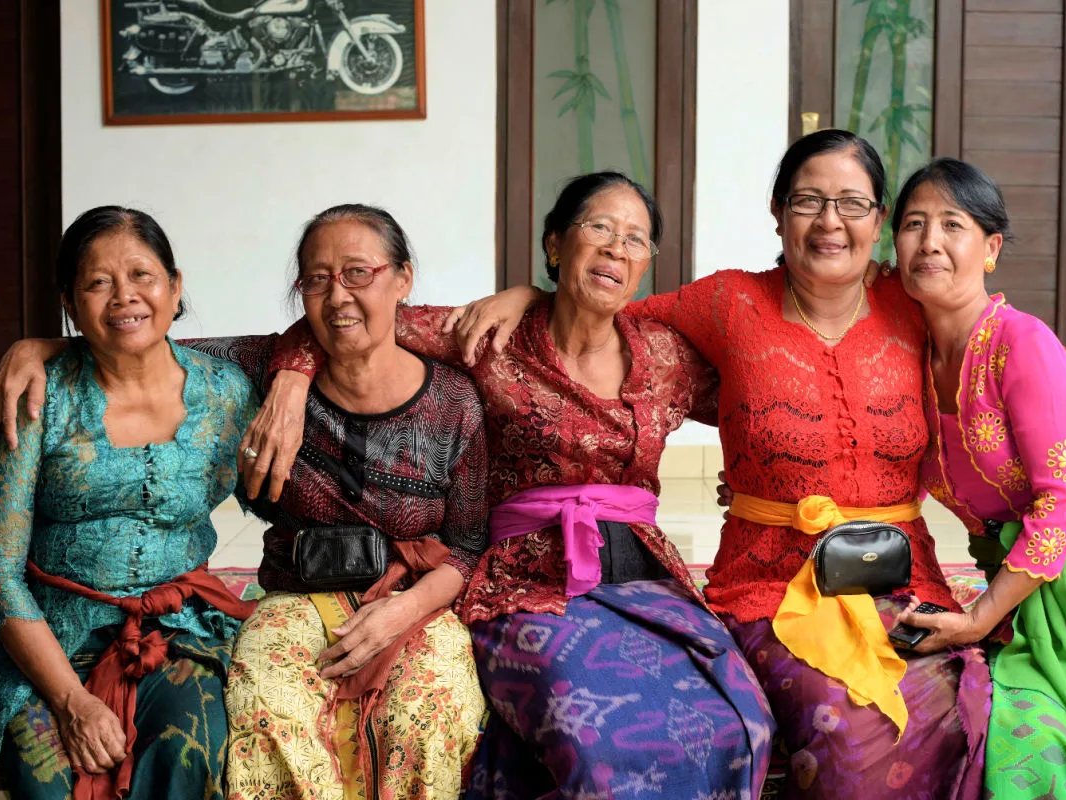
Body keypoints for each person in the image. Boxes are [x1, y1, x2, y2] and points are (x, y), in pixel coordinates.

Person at [432, 131, 1066, 799]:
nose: (830, 222)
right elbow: (604, 307)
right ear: (777, 214)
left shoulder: (905, 296)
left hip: (902, 571)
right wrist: (524, 295)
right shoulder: (729, 302)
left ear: (878, 221)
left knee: (960, 708)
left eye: (852, 203)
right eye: (807, 201)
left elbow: (995, 341)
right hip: (772, 579)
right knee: (852, 731)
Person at [258, 173, 777, 796]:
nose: (617, 248)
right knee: (598, 739)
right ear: (555, 244)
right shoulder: (488, 335)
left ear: (645, 265)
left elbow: (763, 404)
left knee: (739, 718)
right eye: (599, 229)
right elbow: (351, 317)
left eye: (636, 239)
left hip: (643, 577)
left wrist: (755, 477)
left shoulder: (666, 356)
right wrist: (289, 384)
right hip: (525, 584)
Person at [0, 204, 491, 800]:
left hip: (385, 601)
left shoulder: (450, 399)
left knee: (419, 719)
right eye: (317, 279)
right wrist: (33, 348)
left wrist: (405, 610)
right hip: (255, 600)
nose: (337, 294)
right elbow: (133, 342)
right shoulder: (241, 373)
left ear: (402, 277)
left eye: (359, 272)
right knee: (258, 713)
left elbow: (470, 541)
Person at [0, 206, 258, 798]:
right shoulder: (38, 395)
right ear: (70, 305)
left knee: (190, 753)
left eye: (142, 276)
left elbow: (338, 335)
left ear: (175, 288)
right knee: (44, 779)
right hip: (49, 639)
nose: (124, 297)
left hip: (178, 630)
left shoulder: (227, 391)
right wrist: (71, 700)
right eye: (98, 283)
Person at [889, 158, 1066, 799]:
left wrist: (979, 617)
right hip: (1025, 582)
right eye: (914, 224)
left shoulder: (1019, 342)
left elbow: (1062, 504)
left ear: (992, 248)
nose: (931, 242)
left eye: (953, 224)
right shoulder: (904, 346)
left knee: (1047, 736)